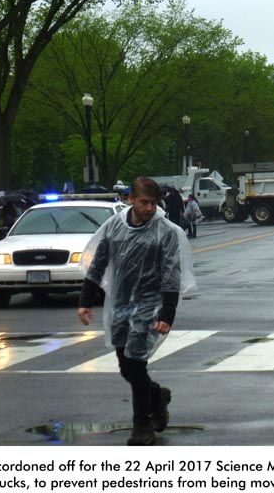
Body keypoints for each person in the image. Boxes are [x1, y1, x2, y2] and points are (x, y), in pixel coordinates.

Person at [77, 177, 195, 446]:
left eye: (153, 203)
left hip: (149, 304)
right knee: (126, 367)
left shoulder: (164, 231)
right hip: (120, 303)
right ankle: (156, 397)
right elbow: (99, 264)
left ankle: (143, 425)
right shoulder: (114, 227)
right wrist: (85, 300)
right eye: (144, 202)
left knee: (136, 361)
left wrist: (167, 314)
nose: (149, 208)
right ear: (131, 199)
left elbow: (170, 275)